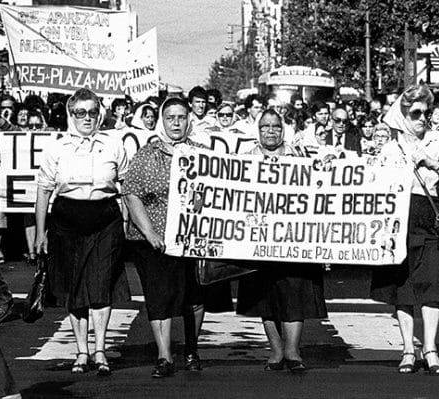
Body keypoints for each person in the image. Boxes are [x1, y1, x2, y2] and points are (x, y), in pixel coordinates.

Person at [370, 85, 439, 376]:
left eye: (427, 112)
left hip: (433, 218)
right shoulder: (391, 148)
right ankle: (408, 349)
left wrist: (432, 162)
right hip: (400, 222)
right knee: (403, 288)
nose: (422, 118)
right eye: (416, 113)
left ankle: (430, 349)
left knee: (433, 284)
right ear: (403, 115)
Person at [123, 97, 231, 379]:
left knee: (194, 295)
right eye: (170, 117)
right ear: (162, 120)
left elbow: (222, 191)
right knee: (159, 297)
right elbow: (131, 193)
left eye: (181, 117)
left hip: (192, 239)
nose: (176, 123)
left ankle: (192, 350)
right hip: (155, 240)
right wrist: (149, 232)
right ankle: (164, 355)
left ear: (189, 120)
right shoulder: (148, 154)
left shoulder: (203, 154)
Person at [35, 88, 130, 376]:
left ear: (99, 113)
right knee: (75, 287)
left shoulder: (114, 144)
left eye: (92, 112)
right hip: (67, 219)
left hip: (105, 218)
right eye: (80, 113)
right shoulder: (56, 147)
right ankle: (81, 351)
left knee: (102, 284)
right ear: (71, 114)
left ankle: (100, 350)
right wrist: (40, 232)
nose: (86, 118)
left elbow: (125, 187)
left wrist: (125, 223)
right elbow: (43, 189)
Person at [237, 109, 327, 373]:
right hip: (257, 239)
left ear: (283, 130)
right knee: (266, 296)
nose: (271, 131)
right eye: (265, 127)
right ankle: (276, 350)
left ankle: (293, 350)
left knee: (295, 294)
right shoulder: (244, 160)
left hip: (294, 238)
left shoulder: (299, 156)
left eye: (276, 127)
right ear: (258, 130)